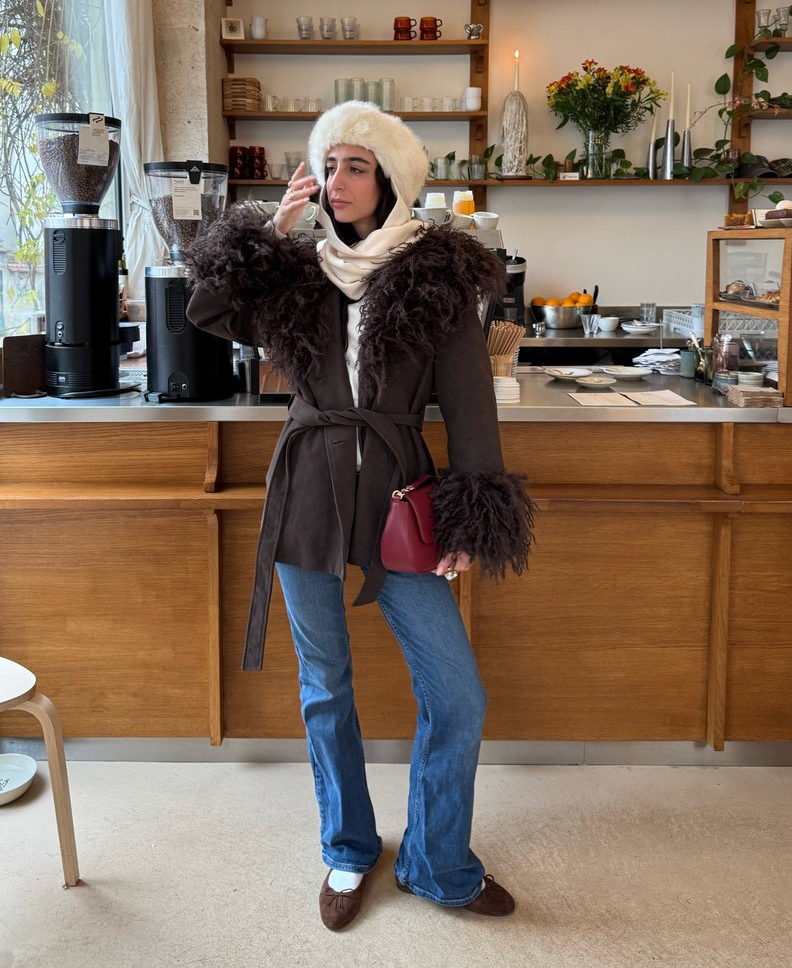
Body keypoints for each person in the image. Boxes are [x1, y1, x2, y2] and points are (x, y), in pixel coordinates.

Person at [186, 101, 533, 931]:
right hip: (306, 489)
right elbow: (207, 310)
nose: (336, 181)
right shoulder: (297, 271)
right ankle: (346, 845)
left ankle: (438, 863)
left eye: (354, 166)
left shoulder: (435, 274)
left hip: (401, 500)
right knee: (325, 686)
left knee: (456, 697)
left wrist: (471, 511)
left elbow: (469, 403)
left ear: (388, 179)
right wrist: (270, 233)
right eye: (327, 164)